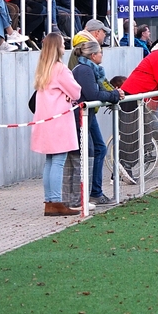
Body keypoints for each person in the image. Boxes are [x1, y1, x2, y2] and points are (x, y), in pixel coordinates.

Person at [118, 32, 158, 182]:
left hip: (136, 97)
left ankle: (122, 169)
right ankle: (124, 166)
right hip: (134, 98)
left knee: (141, 133)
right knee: (135, 134)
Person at [31, 33, 82, 216]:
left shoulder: (42, 68)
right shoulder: (60, 69)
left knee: (50, 162)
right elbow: (76, 92)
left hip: (45, 120)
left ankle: (49, 201)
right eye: (62, 44)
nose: (64, 47)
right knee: (58, 162)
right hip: (59, 121)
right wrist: (68, 95)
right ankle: (56, 201)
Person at [69, 40, 121, 206]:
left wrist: (113, 94)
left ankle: (94, 192)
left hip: (88, 115)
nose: (102, 55)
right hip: (81, 116)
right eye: (100, 52)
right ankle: (89, 194)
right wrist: (113, 96)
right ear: (93, 55)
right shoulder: (84, 70)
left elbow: (98, 91)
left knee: (99, 148)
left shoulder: (89, 69)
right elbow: (93, 94)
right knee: (90, 152)